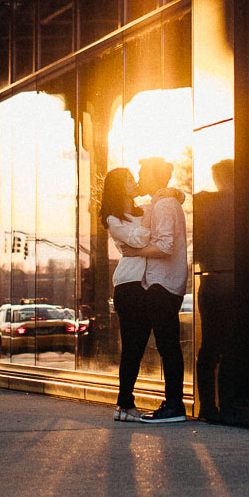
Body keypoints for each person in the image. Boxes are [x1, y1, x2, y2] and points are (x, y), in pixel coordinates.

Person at [136, 157, 189, 423]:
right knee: (167, 346)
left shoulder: (166, 205)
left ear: (154, 175)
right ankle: (173, 404)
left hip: (163, 284)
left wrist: (136, 251)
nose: (138, 178)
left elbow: (166, 246)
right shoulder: (163, 202)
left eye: (142, 173)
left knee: (168, 346)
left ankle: (174, 406)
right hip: (160, 283)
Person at [101, 167, 150, 421]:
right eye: (129, 180)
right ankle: (124, 404)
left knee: (139, 347)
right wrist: (151, 237)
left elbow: (141, 242)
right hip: (128, 286)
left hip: (148, 285)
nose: (135, 182)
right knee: (132, 347)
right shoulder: (113, 219)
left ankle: (124, 404)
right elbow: (140, 239)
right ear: (120, 186)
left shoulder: (145, 210)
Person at [192, 159, 237, 420]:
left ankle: (208, 406)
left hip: (209, 282)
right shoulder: (239, 204)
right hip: (232, 283)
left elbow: (198, 250)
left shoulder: (205, 205)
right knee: (229, 346)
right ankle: (228, 404)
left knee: (209, 347)